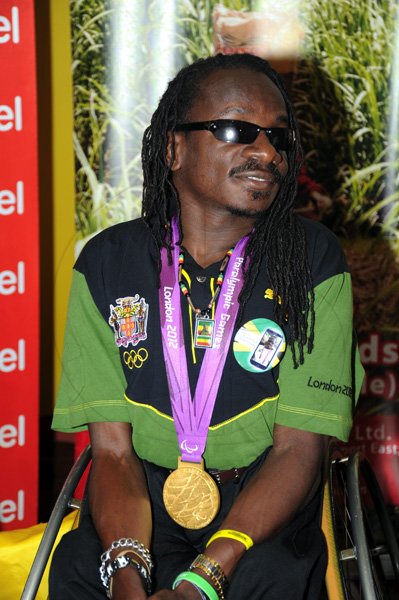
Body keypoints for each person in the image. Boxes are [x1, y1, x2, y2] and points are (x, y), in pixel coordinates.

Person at [49, 53, 364, 599]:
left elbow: (297, 450)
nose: (265, 151)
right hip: (141, 496)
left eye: (278, 137)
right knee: (81, 567)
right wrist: (127, 571)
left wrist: (204, 579)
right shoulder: (106, 263)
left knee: (270, 580)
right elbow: (113, 453)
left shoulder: (313, 261)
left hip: (264, 507)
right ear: (173, 148)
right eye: (237, 129)